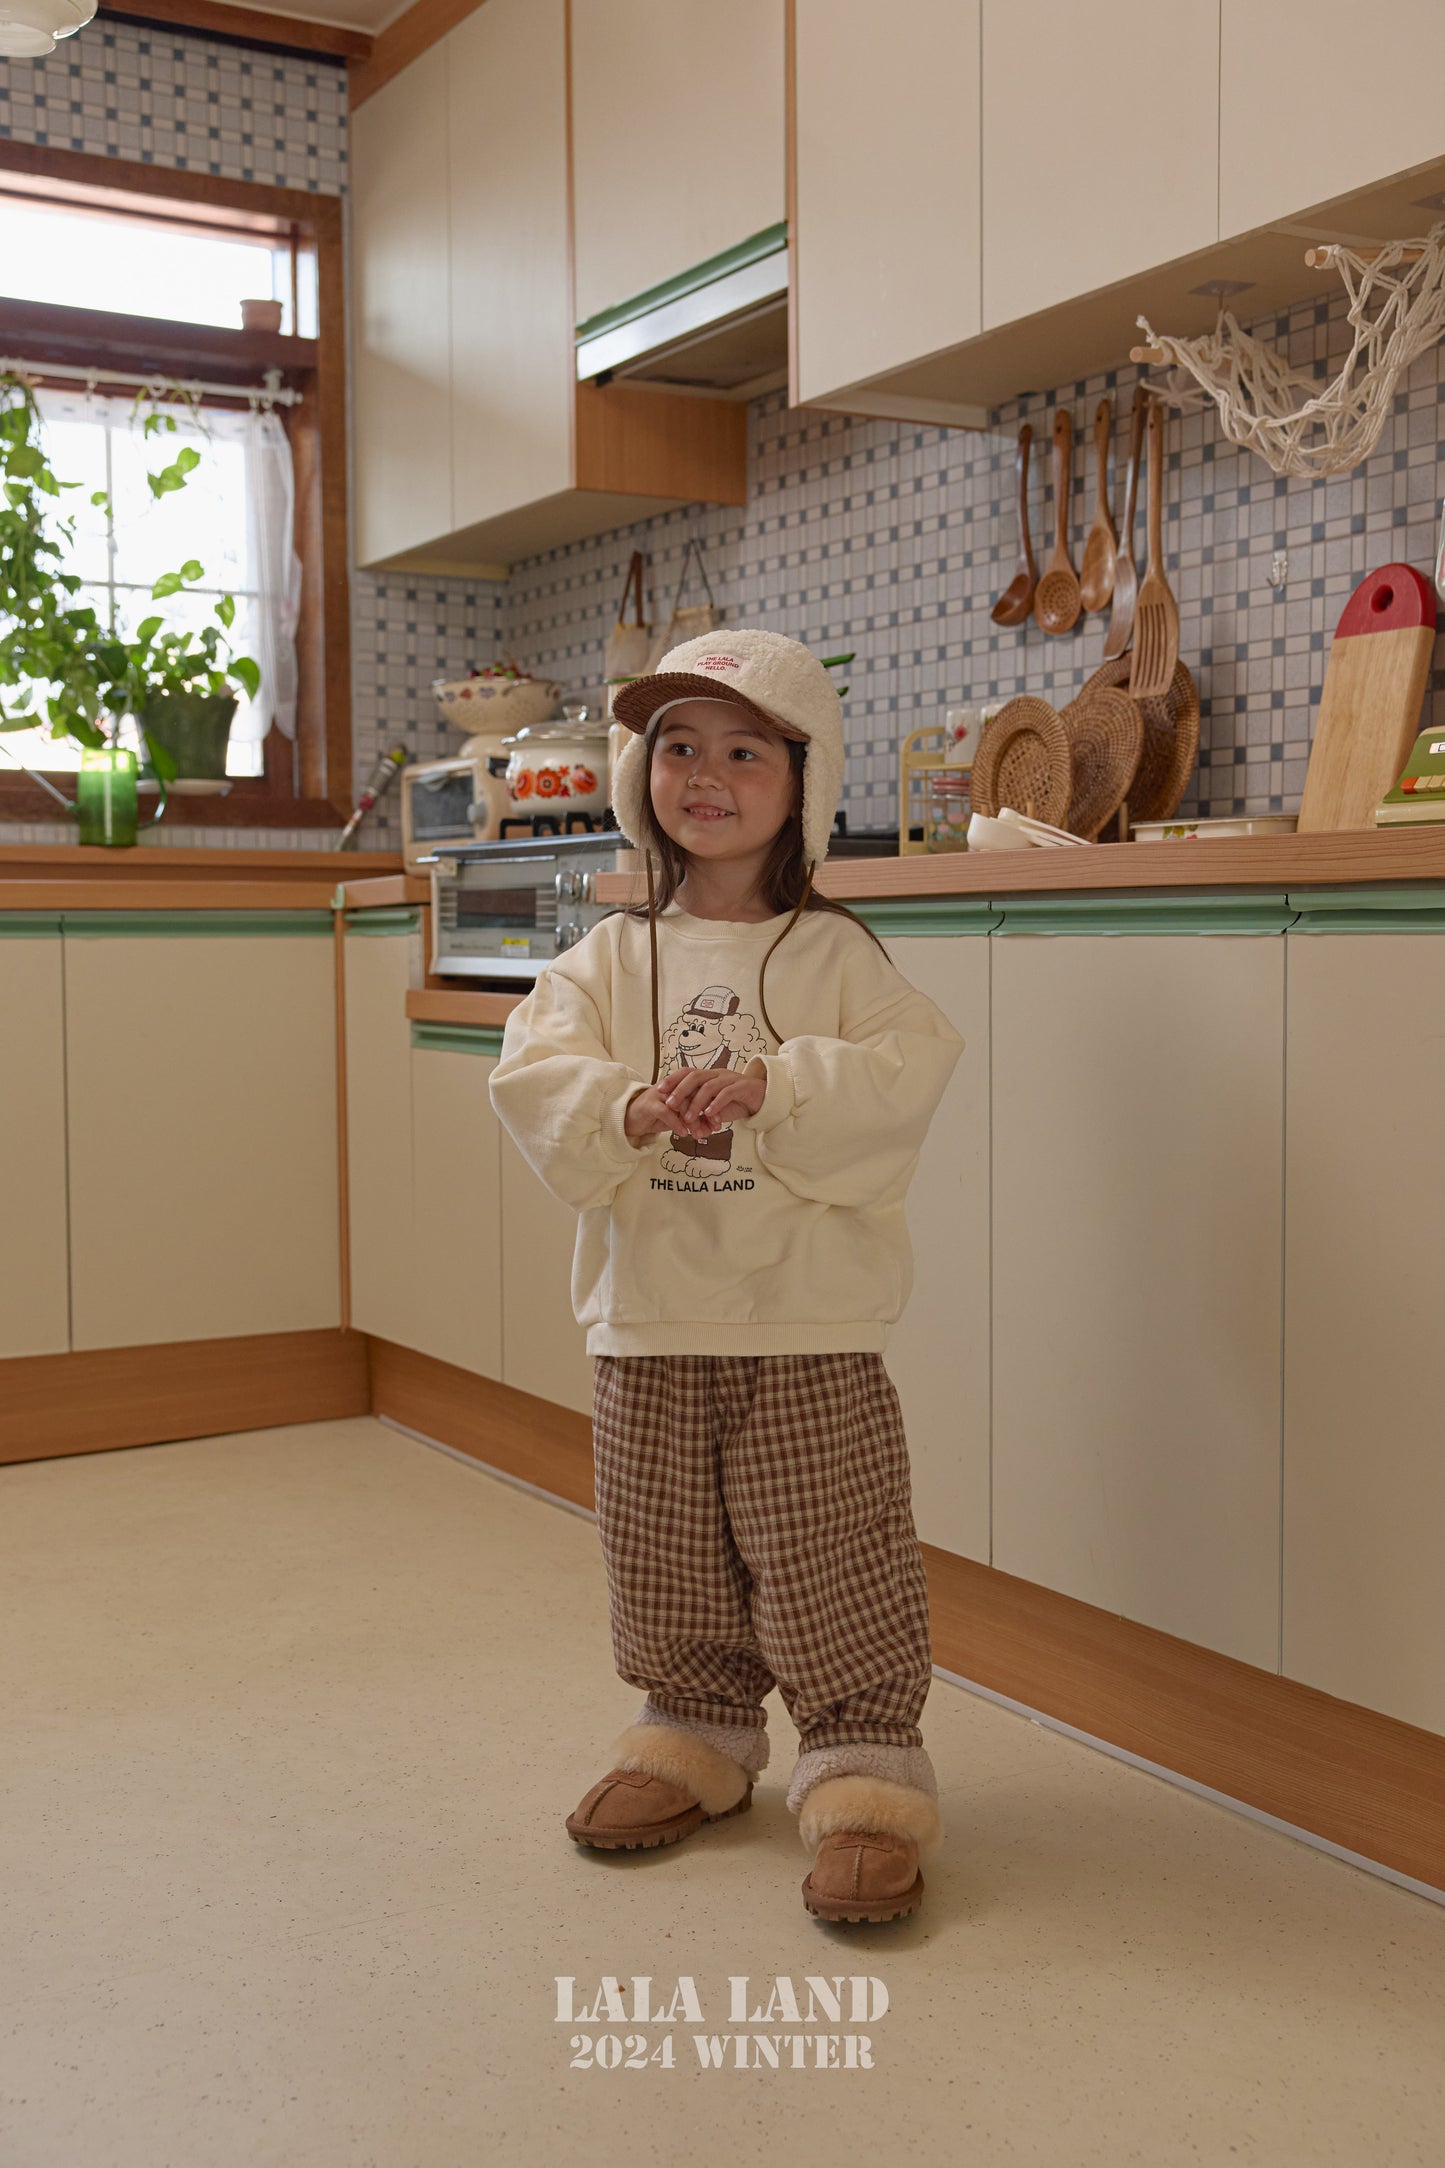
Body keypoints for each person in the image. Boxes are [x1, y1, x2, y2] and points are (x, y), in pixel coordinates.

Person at [488, 627, 965, 1925]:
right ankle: (693, 1732)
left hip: (804, 1314)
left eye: (742, 749)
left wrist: (772, 1083)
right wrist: (626, 1110)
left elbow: (905, 1070)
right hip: (645, 1314)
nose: (704, 773)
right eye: (676, 746)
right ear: (639, 770)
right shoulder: (600, 962)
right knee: (664, 1551)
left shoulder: (835, 957)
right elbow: (531, 1076)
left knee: (827, 1548)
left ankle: (863, 1764)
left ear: (802, 782)